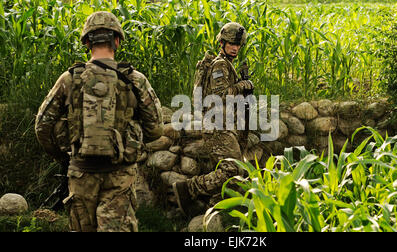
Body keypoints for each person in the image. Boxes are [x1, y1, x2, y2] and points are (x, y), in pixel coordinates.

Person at [35, 11, 163, 232]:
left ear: (86, 42)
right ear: (117, 40)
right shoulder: (135, 79)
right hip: (120, 176)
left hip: (81, 173)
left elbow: (42, 125)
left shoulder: (69, 79)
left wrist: (64, 155)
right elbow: (156, 129)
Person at [173, 22, 254, 217]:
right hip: (217, 126)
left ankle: (216, 210)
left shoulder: (228, 65)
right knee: (232, 170)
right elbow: (220, 95)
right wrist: (243, 85)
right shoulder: (220, 65)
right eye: (230, 44)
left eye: (237, 45)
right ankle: (188, 189)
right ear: (222, 43)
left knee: (232, 175)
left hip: (224, 125)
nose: (234, 48)